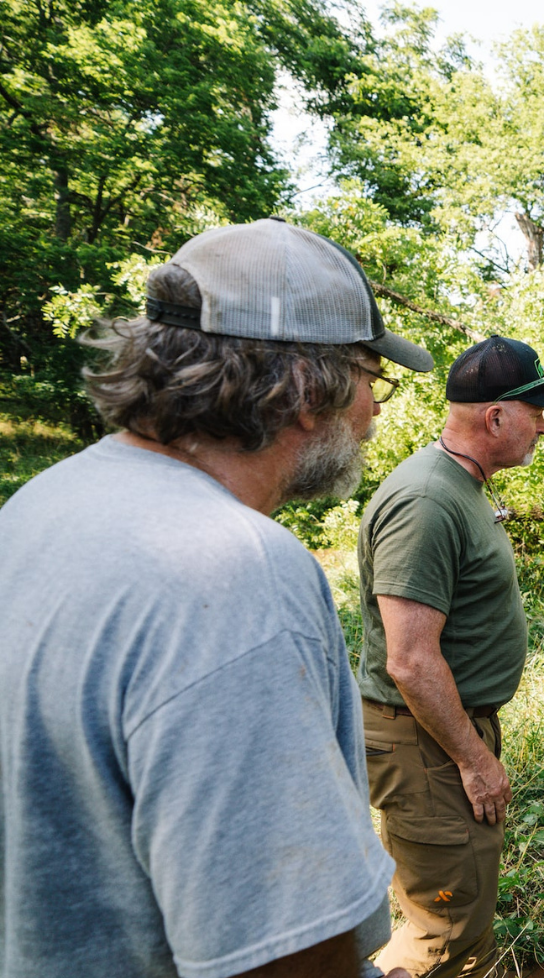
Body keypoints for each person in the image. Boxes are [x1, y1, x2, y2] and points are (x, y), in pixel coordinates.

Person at [0, 217, 434, 978]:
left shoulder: (40, 505)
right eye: (372, 377)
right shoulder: (236, 573)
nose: (374, 410)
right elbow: (284, 947)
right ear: (307, 389)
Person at [357, 336, 544, 977]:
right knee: (443, 932)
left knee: (457, 905)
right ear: (496, 416)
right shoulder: (427, 502)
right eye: (535, 411)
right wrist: (474, 761)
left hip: (439, 735)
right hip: (424, 742)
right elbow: (411, 661)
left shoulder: (459, 485)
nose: (542, 425)